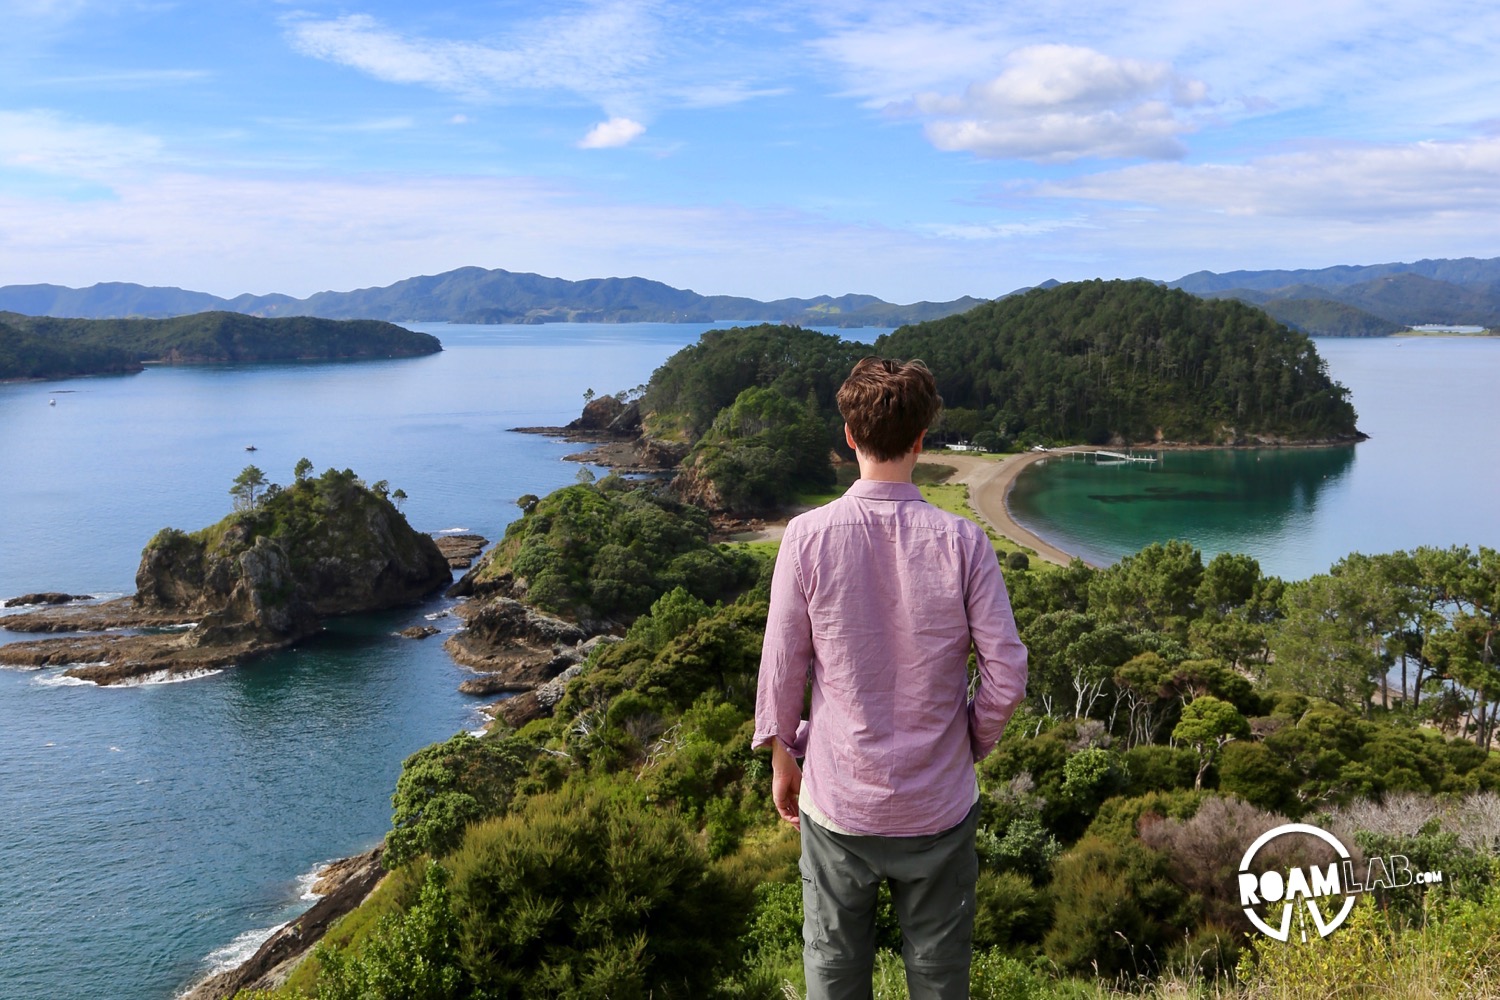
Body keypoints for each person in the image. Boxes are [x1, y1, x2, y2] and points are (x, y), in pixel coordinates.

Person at [752, 356, 1029, 1000]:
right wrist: (968, 743)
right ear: (921, 439)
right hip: (939, 804)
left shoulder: (806, 537)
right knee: (938, 980)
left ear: (850, 437)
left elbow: (782, 662)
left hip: (839, 799)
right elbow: (1007, 675)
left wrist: (780, 757)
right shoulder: (964, 542)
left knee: (833, 971)